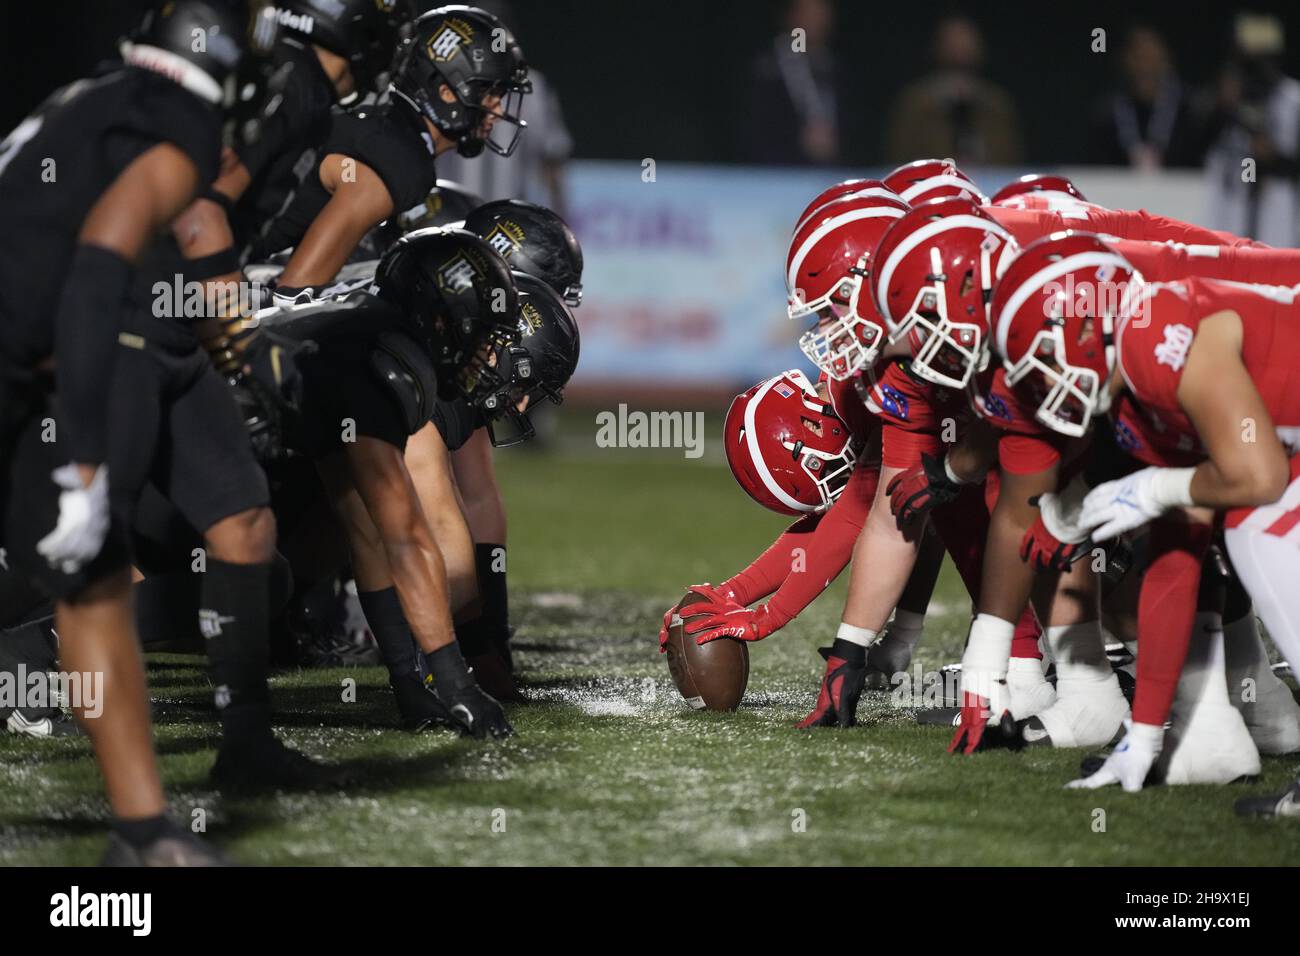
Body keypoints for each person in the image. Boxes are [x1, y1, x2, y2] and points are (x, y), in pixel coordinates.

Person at [0, 0, 275, 864]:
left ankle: (145, 834)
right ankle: (145, 835)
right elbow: (91, 279)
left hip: (19, 348)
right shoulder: (175, 125)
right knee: (88, 578)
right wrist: (83, 459)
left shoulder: (104, 95)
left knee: (93, 585)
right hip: (23, 351)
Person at [886, 17, 1022, 166]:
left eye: (966, 40)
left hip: (987, 185)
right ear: (938, 46)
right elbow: (900, 157)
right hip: (933, 184)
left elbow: (1011, 160)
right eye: (952, 41)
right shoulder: (916, 103)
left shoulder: (996, 104)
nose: (960, 47)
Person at [741, 0, 843, 166]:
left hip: (827, 173)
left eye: (821, 13)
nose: (817, 19)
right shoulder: (769, 68)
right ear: (792, 15)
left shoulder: (829, 66)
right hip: (779, 172)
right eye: (809, 12)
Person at [1087, 26, 1203, 170]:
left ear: (1166, 60)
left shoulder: (1190, 112)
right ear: (1124, 60)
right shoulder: (1106, 114)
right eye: (1138, 57)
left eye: (1151, 58)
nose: (1144, 67)